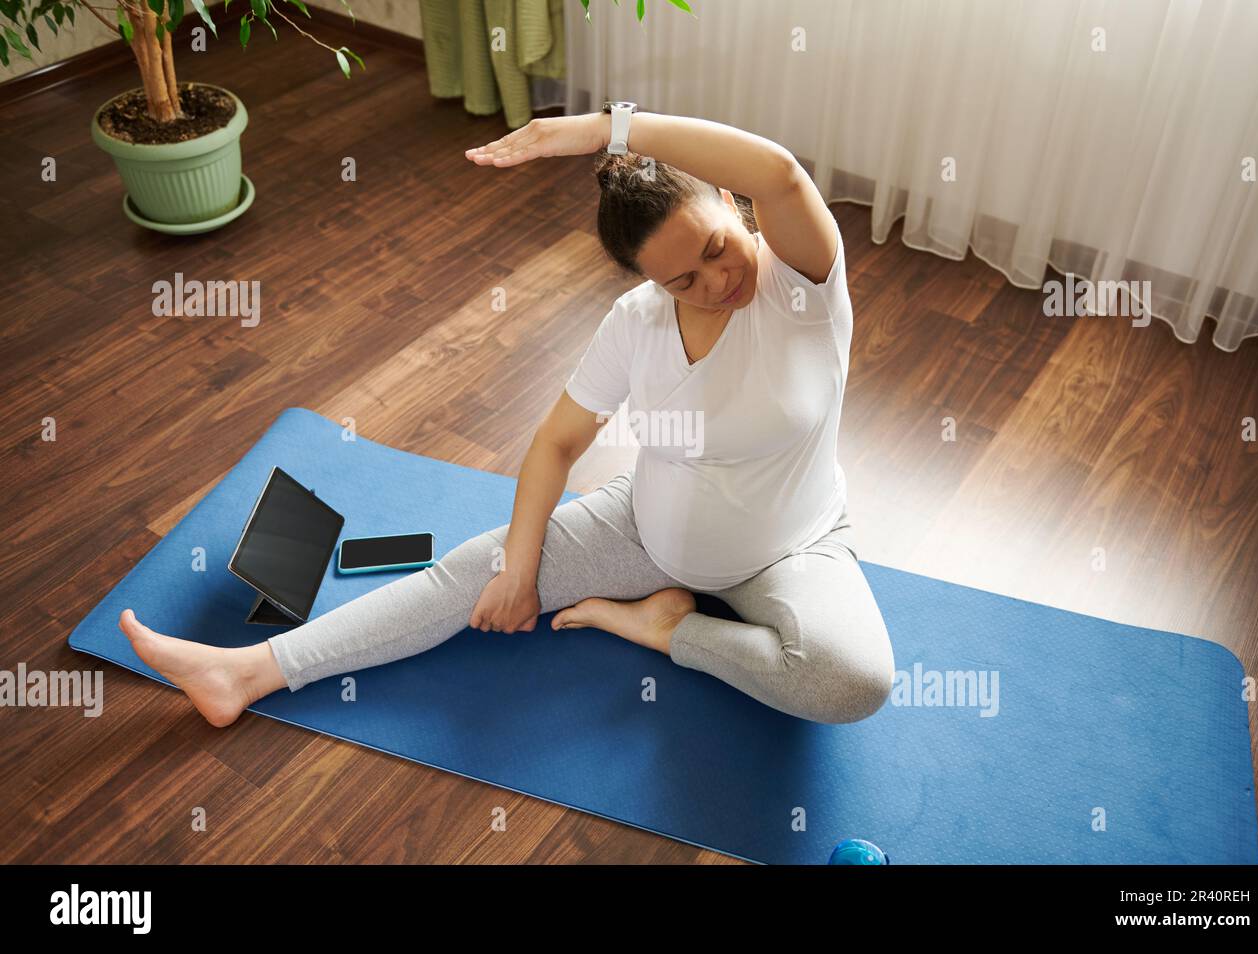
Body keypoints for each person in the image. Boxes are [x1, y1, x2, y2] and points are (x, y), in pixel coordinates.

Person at [118, 108, 895, 728]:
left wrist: (604, 128)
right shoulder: (639, 320)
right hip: (645, 529)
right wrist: (520, 571)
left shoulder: (802, 290)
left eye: (721, 249)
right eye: (684, 278)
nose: (718, 280)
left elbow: (782, 173)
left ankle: (660, 629)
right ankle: (244, 673)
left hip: (788, 547)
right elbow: (558, 441)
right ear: (651, 281)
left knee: (851, 683)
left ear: (730, 201)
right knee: (473, 573)